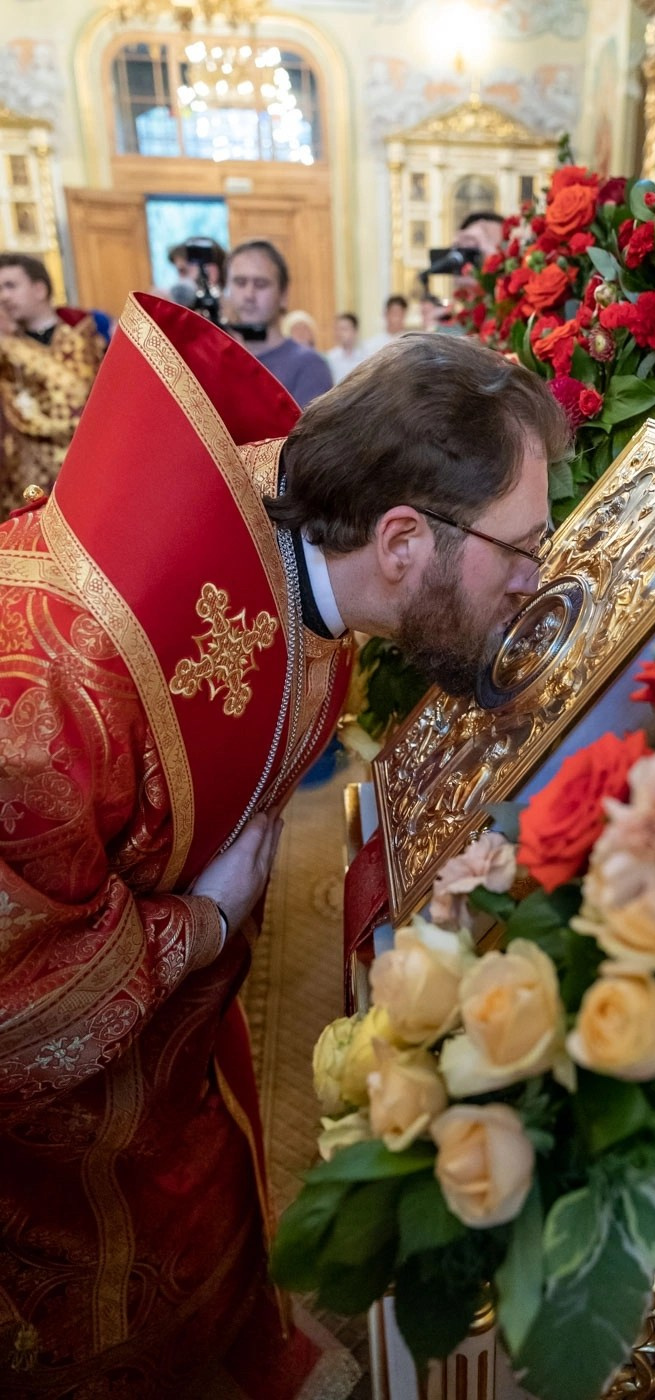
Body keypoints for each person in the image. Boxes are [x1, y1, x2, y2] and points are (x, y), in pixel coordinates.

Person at [0, 292, 568, 1398]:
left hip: (177, 1047)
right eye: (524, 546)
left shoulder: (303, 538)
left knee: (212, 1192)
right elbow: (16, 1000)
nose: (534, 580)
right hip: (52, 1147)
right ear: (402, 539)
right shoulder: (46, 692)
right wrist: (204, 922)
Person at [0, 252, 106, 518]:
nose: (3, 297)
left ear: (39, 289)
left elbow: (81, 396)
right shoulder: (8, 350)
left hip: (91, 465)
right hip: (30, 481)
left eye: (10, 286)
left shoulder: (86, 333)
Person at [225, 239, 332, 406]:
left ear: (283, 294)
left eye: (261, 284)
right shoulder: (216, 359)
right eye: (240, 283)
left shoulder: (309, 365)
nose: (249, 294)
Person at [325, 310, 366, 383]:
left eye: (344, 329)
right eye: (338, 329)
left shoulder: (365, 357)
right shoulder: (331, 357)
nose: (340, 333)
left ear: (355, 331)